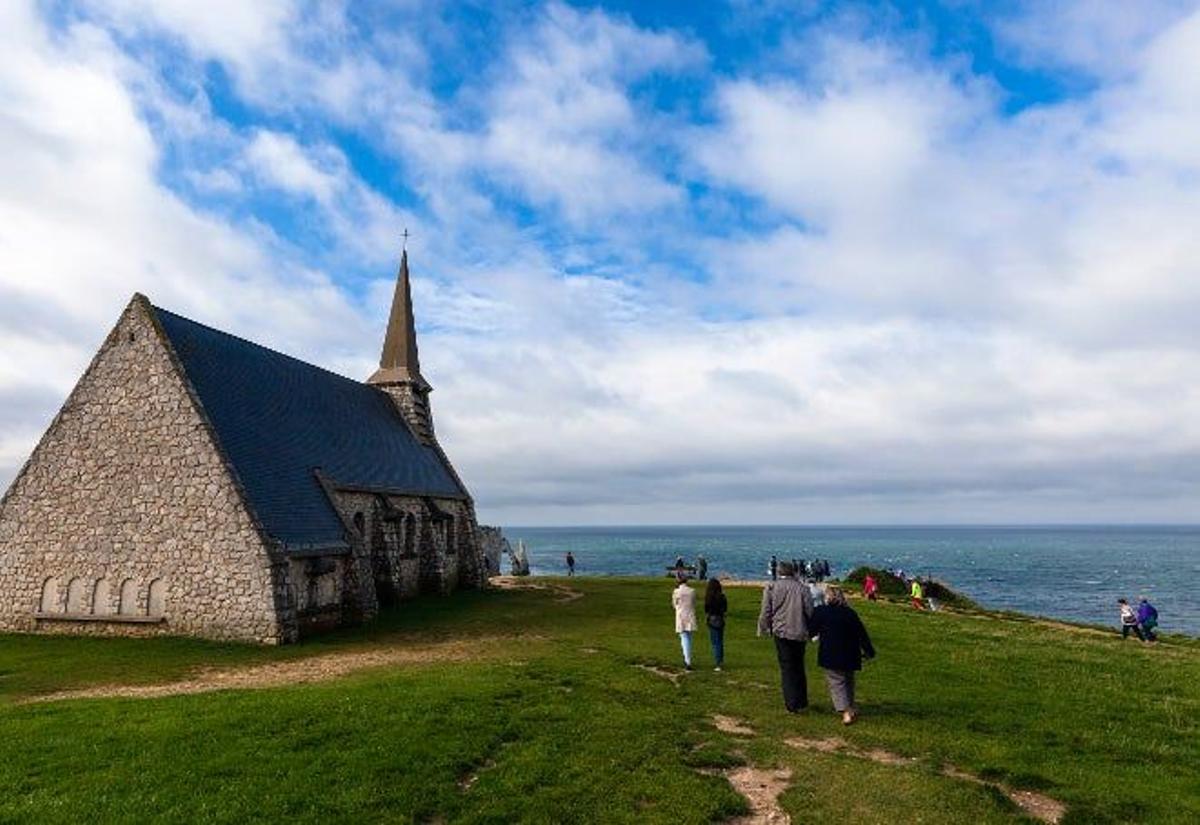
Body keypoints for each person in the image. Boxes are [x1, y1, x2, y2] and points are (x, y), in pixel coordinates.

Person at [810, 586, 875, 725]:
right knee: (848, 680)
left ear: (827, 598)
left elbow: (811, 630)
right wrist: (869, 651)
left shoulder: (821, 611)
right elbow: (861, 634)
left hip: (830, 653)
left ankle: (845, 711)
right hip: (851, 653)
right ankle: (850, 706)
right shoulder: (850, 613)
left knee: (836, 682)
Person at [757, 561, 814, 712]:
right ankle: (802, 700)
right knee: (799, 665)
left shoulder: (772, 587)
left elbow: (766, 610)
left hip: (781, 631)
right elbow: (810, 611)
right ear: (793, 572)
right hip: (799, 630)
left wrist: (763, 627)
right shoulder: (803, 588)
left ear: (780, 571)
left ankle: (791, 703)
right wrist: (812, 629)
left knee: (787, 667)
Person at [673, 573, 698, 670]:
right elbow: (694, 603)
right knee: (688, 637)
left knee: (684, 637)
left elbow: (674, 604)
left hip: (681, 615)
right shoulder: (692, 591)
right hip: (690, 615)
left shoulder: (676, 592)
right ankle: (687, 659)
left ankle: (687, 661)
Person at [704, 578, 728, 671]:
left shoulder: (708, 597)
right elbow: (725, 609)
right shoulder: (722, 597)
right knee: (720, 641)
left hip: (712, 619)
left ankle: (718, 662)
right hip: (720, 619)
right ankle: (720, 659)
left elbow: (706, 609)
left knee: (715, 642)